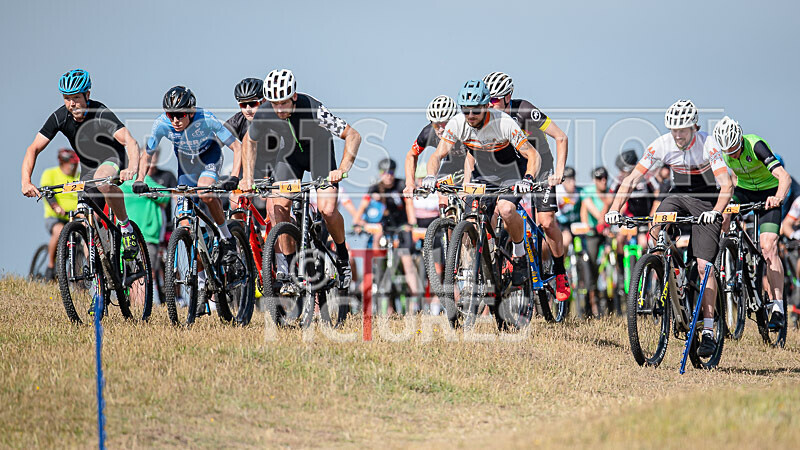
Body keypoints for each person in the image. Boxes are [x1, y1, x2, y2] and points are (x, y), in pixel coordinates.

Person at [605, 99, 733, 357]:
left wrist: (716, 212)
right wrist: (615, 209)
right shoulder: (662, 144)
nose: (677, 135)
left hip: (707, 200)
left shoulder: (709, 144)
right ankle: (667, 273)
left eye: (682, 130)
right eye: (673, 130)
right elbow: (632, 179)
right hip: (677, 196)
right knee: (655, 229)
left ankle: (709, 329)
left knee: (704, 266)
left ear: (694, 127)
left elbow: (726, 185)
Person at [241, 69, 362, 292]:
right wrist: (247, 177)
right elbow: (249, 141)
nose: (279, 109)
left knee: (327, 210)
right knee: (278, 206)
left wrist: (342, 169)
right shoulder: (265, 112)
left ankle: (342, 256)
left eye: (283, 103)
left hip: (319, 153)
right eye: (274, 104)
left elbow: (353, 136)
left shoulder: (313, 108)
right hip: (290, 157)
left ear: (294, 97)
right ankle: (288, 270)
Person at [422, 79, 541, 286]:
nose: (470, 115)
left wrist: (528, 178)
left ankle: (520, 254)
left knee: (505, 209)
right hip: (483, 175)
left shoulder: (503, 122)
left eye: (475, 110)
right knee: (471, 218)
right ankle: (482, 265)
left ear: (486, 106)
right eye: (465, 110)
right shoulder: (458, 123)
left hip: (511, 172)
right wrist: (431, 176)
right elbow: (437, 155)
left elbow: (532, 155)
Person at [21, 69, 142, 258]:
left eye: (76, 97)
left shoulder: (100, 112)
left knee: (101, 179)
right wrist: (26, 181)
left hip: (112, 159)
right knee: (85, 220)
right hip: (88, 168)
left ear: (87, 95)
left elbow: (130, 142)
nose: (72, 104)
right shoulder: (60, 117)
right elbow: (33, 148)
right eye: (67, 98)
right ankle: (96, 272)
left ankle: (126, 229)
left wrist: (132, 168)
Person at [482, 71, 571, 301]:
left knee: (546, 222)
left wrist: (559, 173)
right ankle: (505, 257)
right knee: (498, 210)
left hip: (541, 168)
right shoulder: (487, 117)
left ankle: (560, 271)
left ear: (508, 97)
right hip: (512, 170)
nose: (490, 104)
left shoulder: (525, 111)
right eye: (488, 100)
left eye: (495, 100)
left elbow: (560, 137)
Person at [137, 86, 243, 272]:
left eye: (180, 115)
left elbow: (237, 147)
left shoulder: (206, 119)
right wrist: (140, 179)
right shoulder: (161, 124)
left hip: (209, 159)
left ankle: (226, 237)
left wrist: (234, 176)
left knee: (205, 192)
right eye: (171, 115)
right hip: (186, 167)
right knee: (185, 225)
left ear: (191, 112)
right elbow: (147, 154)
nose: (175, 121)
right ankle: (200, 281)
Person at [714, 116, 792, 329]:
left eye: (735, 149)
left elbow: (784, 177)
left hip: (769, 192)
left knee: (768, 246)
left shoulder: (755, 145)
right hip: (745, 192)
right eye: (728, 151)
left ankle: (778, 307)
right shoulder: (726, 154)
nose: (733, 154)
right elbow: (731, 181)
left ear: (740, 139)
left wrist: (778, 198)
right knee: (723, 215)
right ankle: (727, 253)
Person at [353, 158, 423, 312]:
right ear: (380, 173)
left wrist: (412, 224)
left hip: (403, 226)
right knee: (377, 242)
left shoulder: (400, 185)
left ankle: (416, 300)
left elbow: (409, 205)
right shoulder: (375, 188)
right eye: (384, 172)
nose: (388, 175)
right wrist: (358, 223)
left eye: (391, 172)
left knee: (407, 261)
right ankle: (377, 273)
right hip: (385, 227)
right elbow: (362, 207)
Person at [402, 95, 467, 197]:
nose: (441, 129)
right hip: (451, 162)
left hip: (473, 162)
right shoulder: (428, 133)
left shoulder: (466, 128)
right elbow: (411, 155)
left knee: (468, 195)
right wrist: (410, 183)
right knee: (442, 195)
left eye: (445, 124)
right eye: (436, 125)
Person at [39, 148, 80, 280]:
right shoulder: (50, 173)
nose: (74, 168)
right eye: (71, 164)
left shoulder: (78, 177)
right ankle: (51, 266)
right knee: (59, 231)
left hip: (74, 216)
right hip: (55, 217)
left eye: (75, 165)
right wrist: (56, 206)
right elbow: (47, 191)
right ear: (63, 163)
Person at [580, 166, 612, 316]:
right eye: (600, 178)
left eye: (605, 177)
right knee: (591, 263)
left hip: (607, 233)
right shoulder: (587, 192)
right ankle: (591, 301)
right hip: (593, 233)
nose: (603, 181)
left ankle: (616, 300)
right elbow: (595, 215)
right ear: (595, 180)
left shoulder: (610, 193)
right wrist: (606, 205)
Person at [555, 166, 581, 248]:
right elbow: (556, 212)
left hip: (576, 222)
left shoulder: (579, 191)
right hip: (562, 223)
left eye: (574, 179)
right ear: (563, 182)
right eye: (569, 181)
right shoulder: (557, 192)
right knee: (566, 240)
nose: (573, 183)